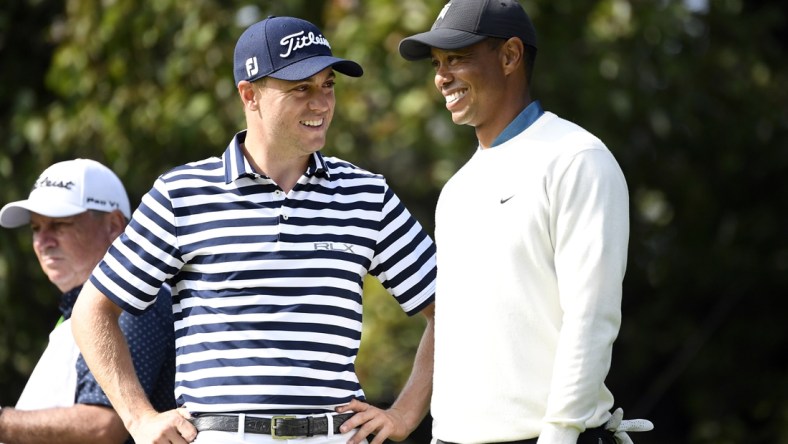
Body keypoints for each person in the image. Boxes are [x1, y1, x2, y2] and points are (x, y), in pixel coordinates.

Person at [71, 15, 437, 444]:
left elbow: (449, 308)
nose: (320, 103)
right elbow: (91, 312)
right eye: (301, 88)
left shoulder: (366, 195)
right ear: (250, 95)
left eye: (327, 85)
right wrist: (138, 418)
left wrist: (405, 413)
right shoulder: (182, 194)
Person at [398, 1, 653, 443]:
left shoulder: (577, 159)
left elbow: (591, 317)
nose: (441, 77)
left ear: (511, 55)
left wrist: (560, 433)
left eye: (457, 58)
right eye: (438, 64)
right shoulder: (456, 190)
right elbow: (456, 329)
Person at [0, 158, 176, 444]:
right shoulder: (76, 313)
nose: (43, 241)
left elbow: (102, 426)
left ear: (113, 226)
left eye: (59, 224)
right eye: (35, 228)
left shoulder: (134, 302)